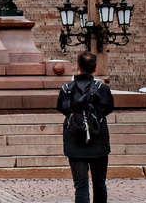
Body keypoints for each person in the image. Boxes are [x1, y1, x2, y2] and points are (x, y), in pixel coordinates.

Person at [57, 51, 115, 203]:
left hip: (75, 141)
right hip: (98, 141)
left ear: (77, 67)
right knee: (100, 184)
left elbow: (62, 109)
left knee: (81, 186)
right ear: (95, 69)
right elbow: (108, 108)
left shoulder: (66, 89)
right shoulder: (103, 89)